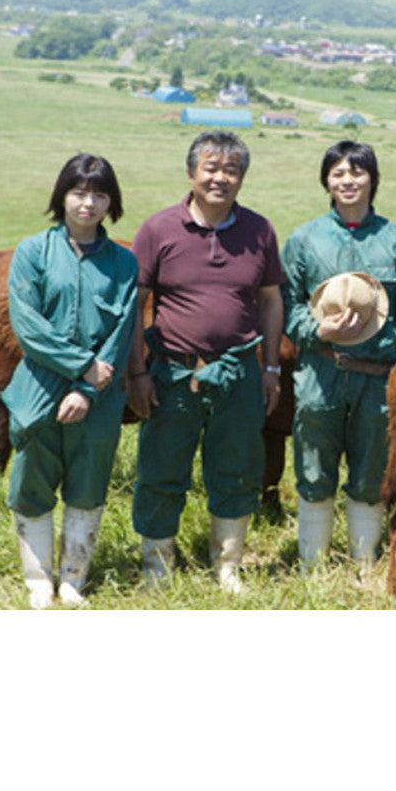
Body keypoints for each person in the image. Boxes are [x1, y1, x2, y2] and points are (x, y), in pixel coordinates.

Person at [127, 131, 283, 594]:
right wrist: (137, 372)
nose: (220, 178)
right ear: (191, 173)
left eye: (231, 170)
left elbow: (271, 301)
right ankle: (156, 565)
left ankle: (228, 565)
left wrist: (271, 367)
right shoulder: (158, 229)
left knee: (238, 467)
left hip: (239, 371)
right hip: (174, 371)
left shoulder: (259, 231)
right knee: (161, 467)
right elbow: (135, 305)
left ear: (242, 178)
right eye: (211, 168)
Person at [280, 140, 396, 570]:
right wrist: (316, 329)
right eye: (338, 173)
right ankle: (313, 566)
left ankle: (364, 564)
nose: (348, 181)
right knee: (313, 468)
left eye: (357, 172)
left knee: (373, 472)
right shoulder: (304, 240)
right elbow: (286, 304)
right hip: (320, 369)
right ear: (326, 181)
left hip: (379, 375)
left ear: (372, 179)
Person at [2, 153, 138, 609]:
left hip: (99, 394)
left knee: (89, 482)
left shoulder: (123, 263)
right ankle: (38, 579)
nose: (88, 203)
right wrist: (82, 365)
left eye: (99, 195)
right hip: (39, 387)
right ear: (62, 197)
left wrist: (88, 388)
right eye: (79, 193)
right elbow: (28, 325)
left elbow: (121, 334)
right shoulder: (32, 252)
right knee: (32, 482)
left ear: (111, 202)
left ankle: (74, 579)